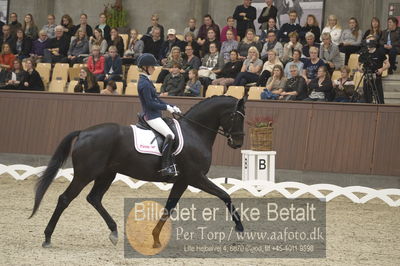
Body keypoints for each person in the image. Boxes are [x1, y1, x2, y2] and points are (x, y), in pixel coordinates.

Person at [136, 53, 181, 177]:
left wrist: (171, 106)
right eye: (152, 66)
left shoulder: (147, 81)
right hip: (151, 116)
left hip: (155, 114)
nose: (154, 68)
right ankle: (165, 166)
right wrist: (166, 107)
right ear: (145, 67)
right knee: (170, 135)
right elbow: (150, 103)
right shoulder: (144, 83)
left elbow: (157, 99)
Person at [362, 35, 389, 104]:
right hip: (367, 78)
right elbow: (358, 64)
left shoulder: (380, 52)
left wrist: (381, 69)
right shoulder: (364, 53)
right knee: (367, 99)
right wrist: (360, 69)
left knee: (379, 99)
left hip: (376, 78)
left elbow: (388, 64)